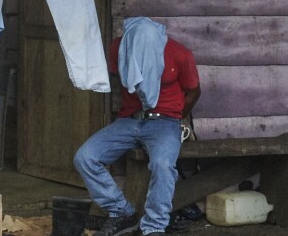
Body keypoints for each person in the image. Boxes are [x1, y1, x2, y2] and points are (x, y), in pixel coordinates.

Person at [74, 17, 201, 236]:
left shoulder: (180, 54)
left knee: (162, 165)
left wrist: (176, 117)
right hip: (129, 120)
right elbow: (116, 77)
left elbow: (193, 92)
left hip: (164, 122)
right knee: (85, 157)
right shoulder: (119, 47)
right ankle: (122, 212)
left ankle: (153, 227)